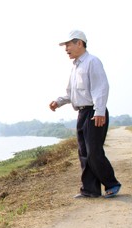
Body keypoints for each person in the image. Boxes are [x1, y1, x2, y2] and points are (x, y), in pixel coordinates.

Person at [49, 30, 121, 198]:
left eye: (68, 45)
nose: (66, 49)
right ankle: (90, 190)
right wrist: (58, 102)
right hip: (82, 113)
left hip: (94, 112)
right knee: (83, 153)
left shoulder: (92, 62)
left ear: (79, 43)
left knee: (94, 151)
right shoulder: (75, 67)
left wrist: (99, 111)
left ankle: (112, 184)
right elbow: (72, 93)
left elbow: (100, 87)